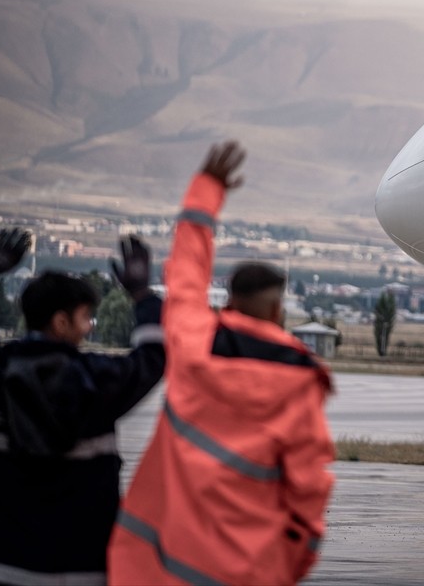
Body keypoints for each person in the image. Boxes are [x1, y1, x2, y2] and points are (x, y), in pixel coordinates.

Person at [108, 141, 335, 586]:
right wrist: (290, 563)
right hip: (251, 570)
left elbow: (186, 276)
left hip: (158, 568)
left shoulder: (193, 346)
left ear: (229, 302)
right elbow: (309, 490)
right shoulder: (300, 384)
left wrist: (205, 190)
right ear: (277, 312)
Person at [0, 229, 165, 585]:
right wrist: (141, 295)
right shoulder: (100, 382)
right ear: (61, 322)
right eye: (86, 317)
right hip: (76, 573)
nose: (89, 327)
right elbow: (155, 354)